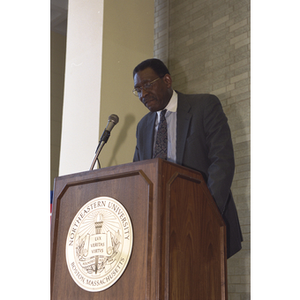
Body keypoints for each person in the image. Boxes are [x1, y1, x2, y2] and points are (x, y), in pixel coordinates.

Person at [132, 58, 242, 258]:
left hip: (202, 220)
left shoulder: (204, 106)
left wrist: (206, 213)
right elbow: (139, 177)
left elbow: (222, 162)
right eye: (138, 89)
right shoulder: (143, 126)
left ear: (167, 80)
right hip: (159, 229)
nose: (143, 94)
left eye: (147, 85)